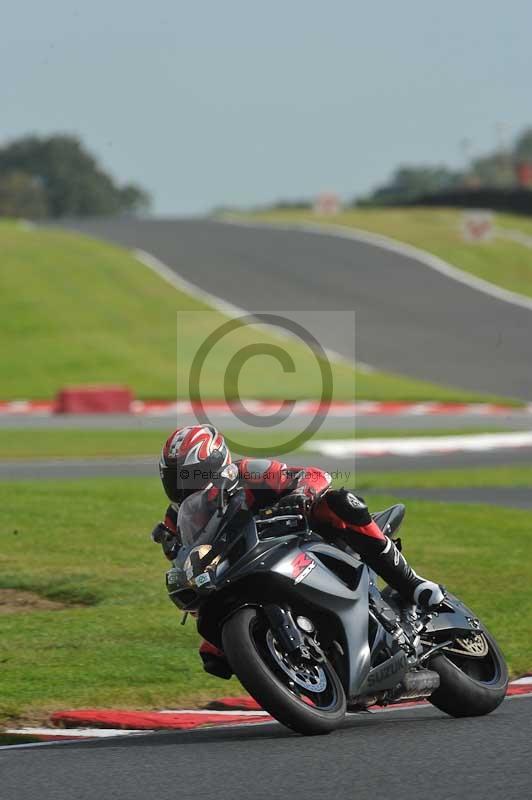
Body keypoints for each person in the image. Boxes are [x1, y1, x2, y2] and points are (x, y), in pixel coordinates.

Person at [152, 424, 444, 679]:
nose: (181, 484)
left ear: (216, 462)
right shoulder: (174, 522)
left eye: (188, 474)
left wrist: (301, 494)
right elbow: (189, 564)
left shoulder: (246, 473)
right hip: (244, 570)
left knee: (340, 502)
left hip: (300, 538)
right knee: (215, 652)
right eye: (174, 476)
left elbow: (313, 475)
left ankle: (412, 583)